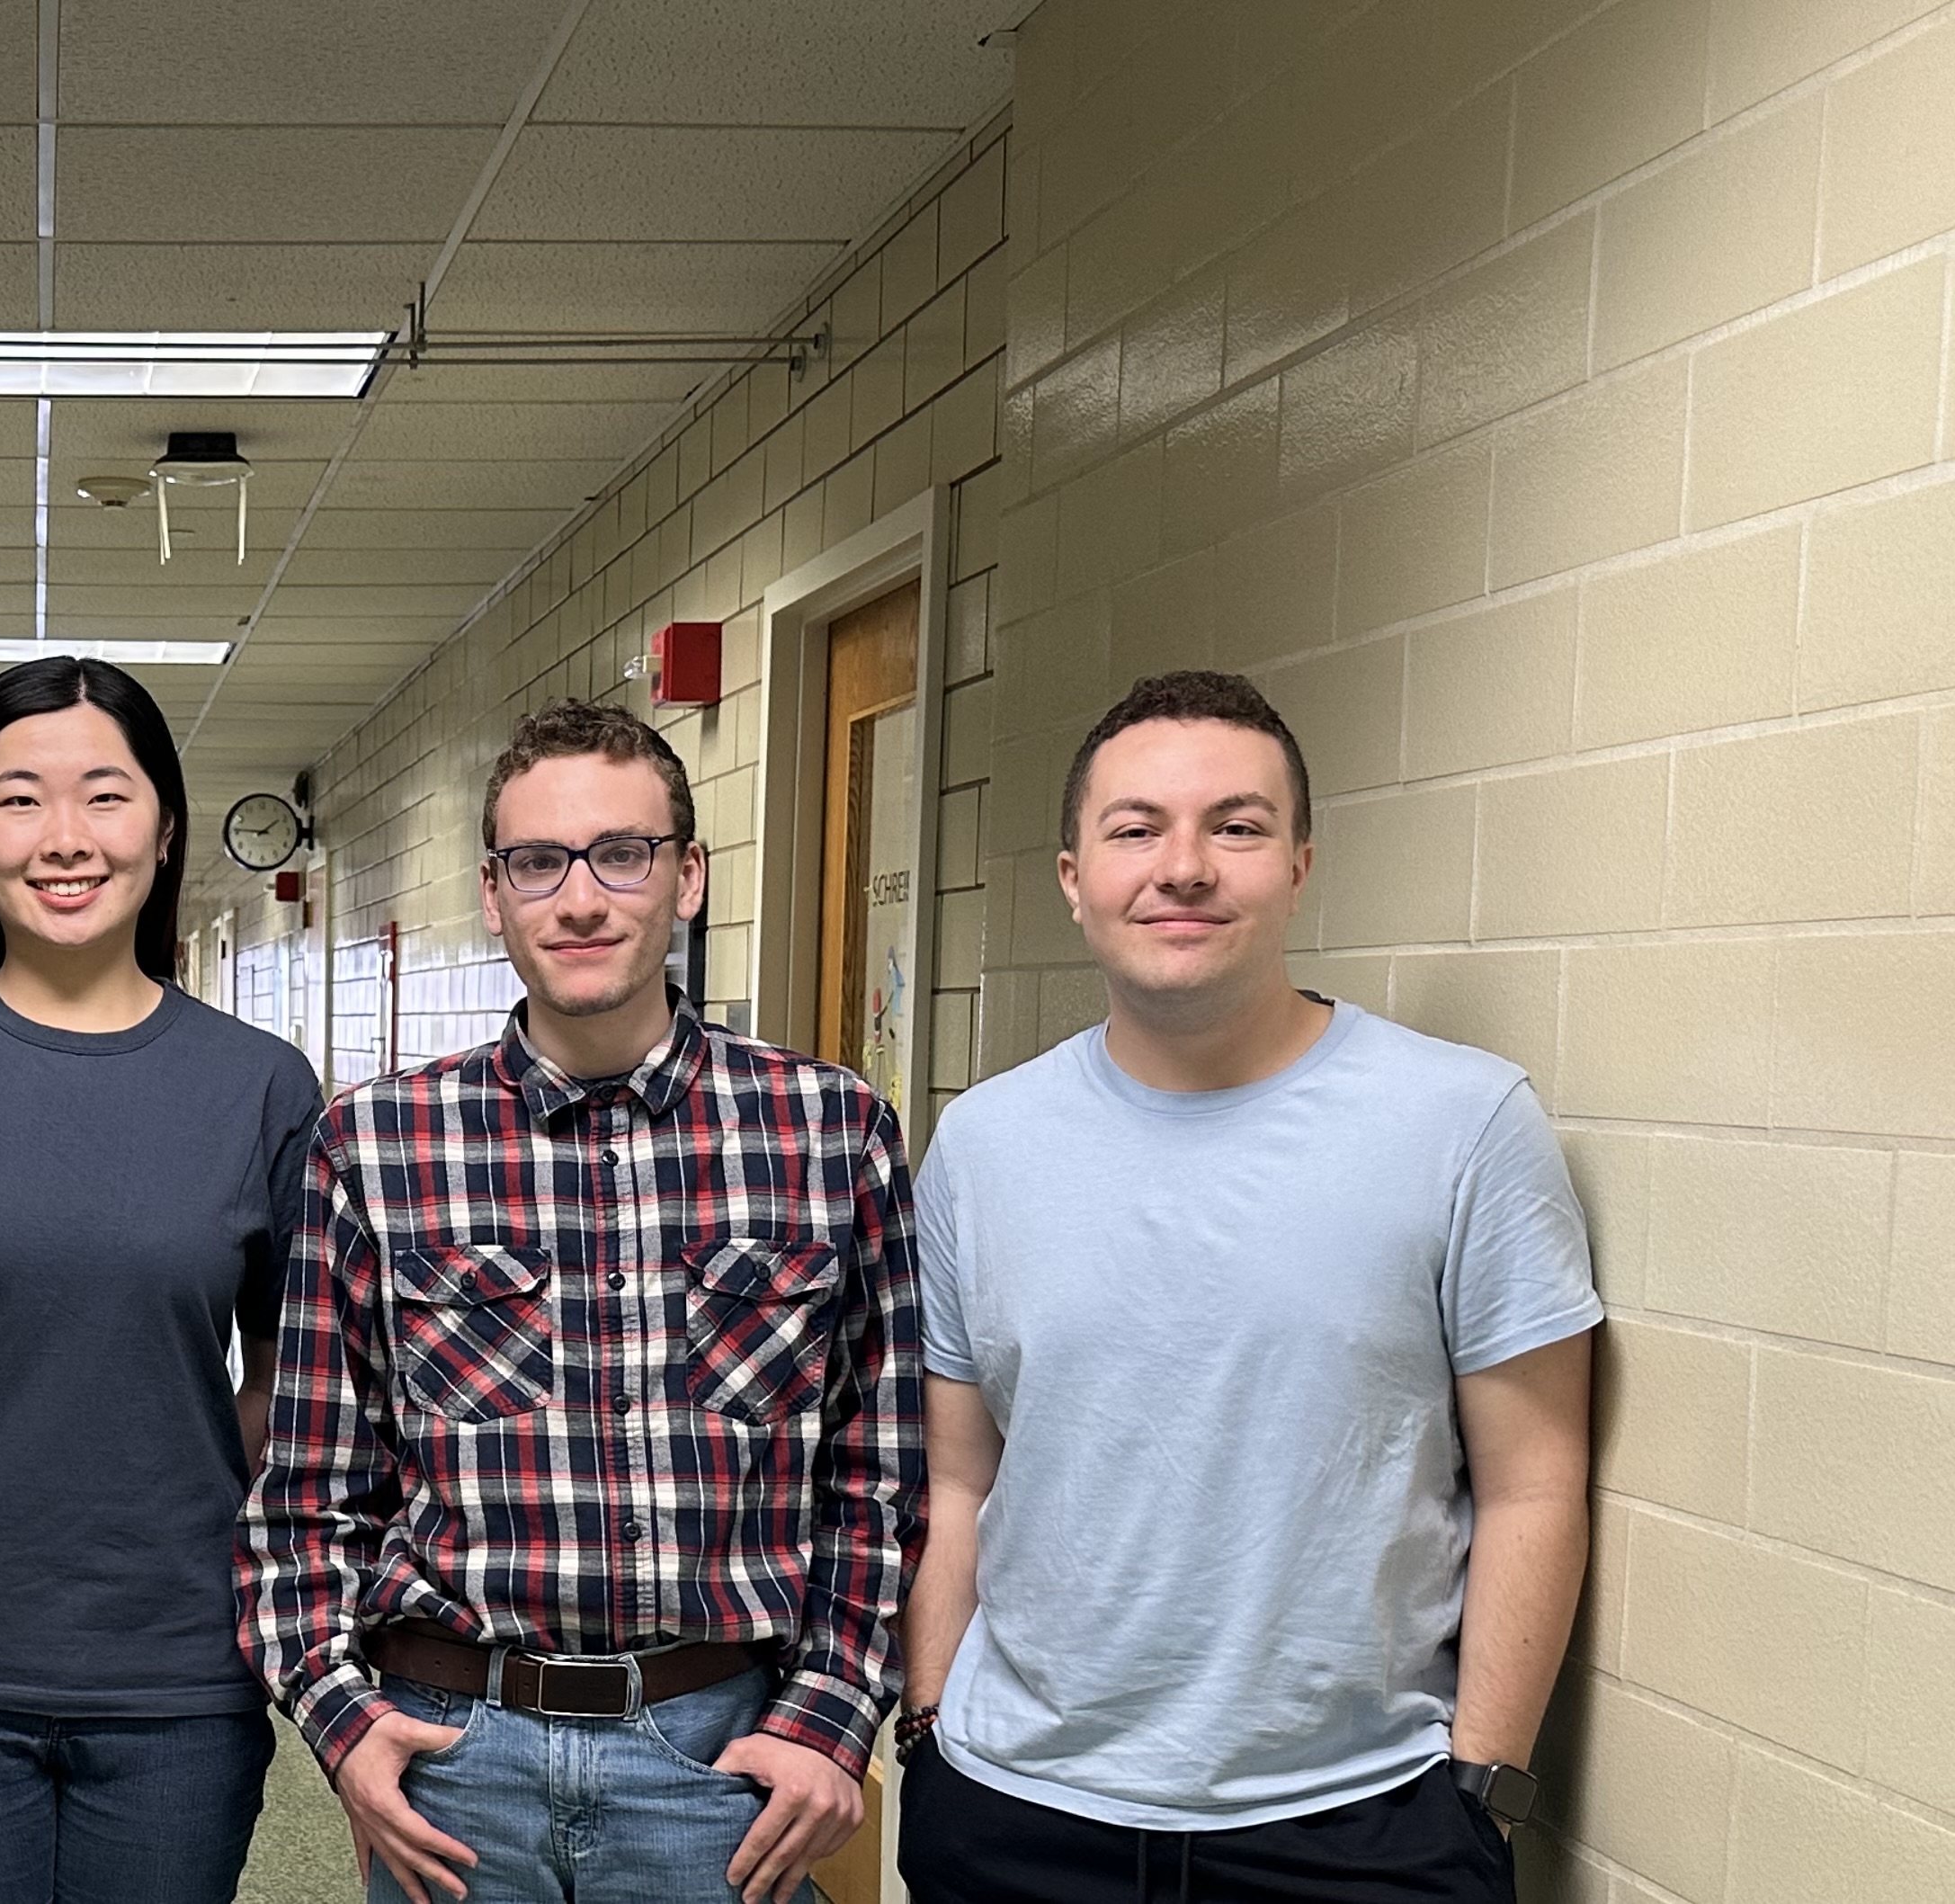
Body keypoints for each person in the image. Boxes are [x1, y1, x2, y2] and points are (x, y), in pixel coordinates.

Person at [892, 670, 1599, 1903]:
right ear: (1071, 876)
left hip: (1357, 1826)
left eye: (1234, 825)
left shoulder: (1462, 1121)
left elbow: (1533, 1480)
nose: (1184, 867)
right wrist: (927, 1726)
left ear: (1297, 862)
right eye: (1134, 828)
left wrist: (1479, 1787)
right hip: (1016, 1817)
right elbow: (959, 1479)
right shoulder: (982, 1144)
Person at [241, 699, 921, 1904]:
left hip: (718, 1757)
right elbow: (307, 1492)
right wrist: (341, 1720)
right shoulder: (378, 1143)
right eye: (537, 862)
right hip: (455, 1756)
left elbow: (874, 1475)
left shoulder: (828, 1129)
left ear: (687, 877)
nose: (582, 897)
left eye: (623, 852)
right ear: (493, 894)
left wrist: (832, 1712)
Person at [0, 658, 321, 1904]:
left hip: (177, 1669)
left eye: (104, 795)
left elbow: (290, 1374)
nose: (64, 839)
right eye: (17, 798)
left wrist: (202, 1513)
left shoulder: (258, 1085)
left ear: (160, 827)